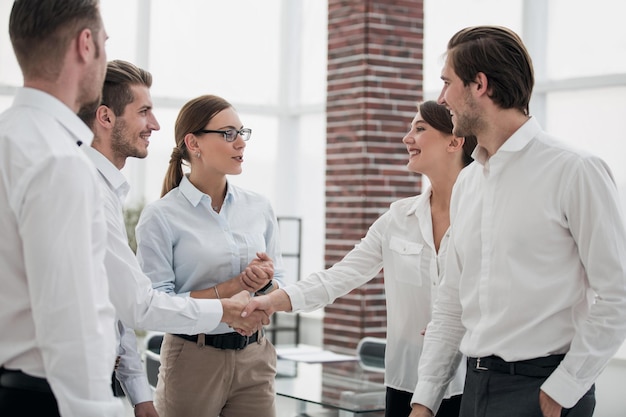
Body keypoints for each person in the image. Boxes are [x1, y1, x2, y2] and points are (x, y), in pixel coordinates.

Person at [406, 26, 626, 417]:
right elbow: (452, 303)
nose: (442, 99)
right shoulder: (469, 181)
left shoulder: (575, 170)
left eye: (447, 83)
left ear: (479, 85)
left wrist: (564, 387)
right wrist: (425, 401)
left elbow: (618, 293)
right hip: (474, 388)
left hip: (544, 391)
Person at [242, 100, 476, 416]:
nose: (407, 138)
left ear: (455, 141)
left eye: (419, 129)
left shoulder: (483, 217)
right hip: (408, 382)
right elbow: (339, 276)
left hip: (472, 383)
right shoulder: (397, 219)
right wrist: (272, 300)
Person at [78, 60, 269, 417]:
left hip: (254, 356)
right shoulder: (95, 191)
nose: (155, 124)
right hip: (182, 359)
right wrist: (226, 302)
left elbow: (116, 303)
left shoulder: (102, 189)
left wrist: (138, 390)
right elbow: (142, 305)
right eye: (144, 111)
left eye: (242, 131)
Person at [0, 1, 124, 416]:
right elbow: (72, 327)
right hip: (44, 399)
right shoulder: (60, 160)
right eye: (105, 43)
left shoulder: (7, 137)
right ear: (85, 45)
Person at [135, 94, 284, 417]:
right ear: (193, 143)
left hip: (255, 357)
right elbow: (156, 304)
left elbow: (279, 282)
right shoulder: (161, 216)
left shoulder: (259, 207)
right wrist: (233, 288)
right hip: (192, 359)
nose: (240, 143)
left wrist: (264, 287)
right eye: (228, 134)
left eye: (242, 133)